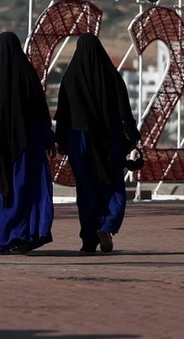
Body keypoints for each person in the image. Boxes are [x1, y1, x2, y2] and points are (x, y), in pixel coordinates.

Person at [0, 31, 54, 254]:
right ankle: (21, 234)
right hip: (27, 145)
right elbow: (41, 116)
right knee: (24, 189)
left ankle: (3, 238)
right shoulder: (28, 78)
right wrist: (48, 141)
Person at [55, 33, 141, 254]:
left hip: (80, 140)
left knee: (86, 189)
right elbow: (124, 112)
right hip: (109, 138)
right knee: (112, 185)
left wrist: (61, 141)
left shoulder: (71, 77)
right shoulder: (111, 76)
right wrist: (131, 139)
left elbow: (63, 115)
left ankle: (89, 238)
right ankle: (108, 225)